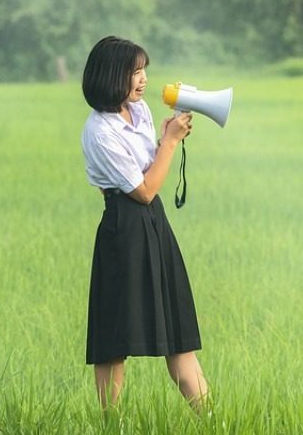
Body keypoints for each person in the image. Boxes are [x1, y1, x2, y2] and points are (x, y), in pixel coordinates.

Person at [81, 36, 209, 411]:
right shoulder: (100, 132)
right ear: (110, 76)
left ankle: (214, 421)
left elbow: (151, 172)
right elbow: (145, 190)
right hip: (124, 227)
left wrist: (167, 139)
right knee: (114, 339)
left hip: (155, 226)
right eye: (134, 72)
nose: (143, 80)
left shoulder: (138, 113)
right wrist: (168, 144)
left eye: (143, 71)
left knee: (179, 332)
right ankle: (111, 423)